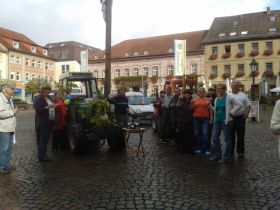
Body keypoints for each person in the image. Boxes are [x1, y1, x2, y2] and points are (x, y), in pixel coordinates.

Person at [210, 84, 243, 163]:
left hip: (226, 121)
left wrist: (232, 112)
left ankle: (226, 157)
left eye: (220, 89)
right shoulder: (217, 98)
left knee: (227, 139)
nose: (218, 91)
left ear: (224, 89)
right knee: (214, 138)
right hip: (217, 121)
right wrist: (210, 106)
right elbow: (216, 110)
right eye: (217, 90)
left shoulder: (229, 97)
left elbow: (240, 105)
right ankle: (218, 155)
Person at [0, 84, 19, 174]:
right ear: (5, 89)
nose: (13, 90)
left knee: (10, 147)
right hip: (3, 128)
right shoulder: (0, 99)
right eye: (12, 89)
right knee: (4, 148)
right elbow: (1, 114)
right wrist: (13, 112)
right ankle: (1, 167)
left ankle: (6, 164)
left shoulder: (9, 98)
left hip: (10, 127)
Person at [34, 85, 56, 162]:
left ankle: (43, 155)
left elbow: (50, 106)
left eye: (48, 91)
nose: (48, 92)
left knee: (45, 139)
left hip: (49, 121)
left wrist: (54, 106)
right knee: (42, 140)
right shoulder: (39, 98)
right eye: (46, 91)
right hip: (42, 122)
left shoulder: (48, 98)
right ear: (42, 91)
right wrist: (47, 107)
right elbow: (38, 110)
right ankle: (41, 157)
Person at [230, 81, 251, 158]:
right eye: (234, 85)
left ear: (239, 86)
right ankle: (231, 151)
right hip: (231, 118)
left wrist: (245, 115)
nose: (235, 87)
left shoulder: (243, 95)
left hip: (240, 118)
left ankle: (240, 152)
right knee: (231, 135)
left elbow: (248, 105)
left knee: (241, 135)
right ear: (231, 86)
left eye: (236, 85)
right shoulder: (228, 95)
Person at [192, 87, 212, 156]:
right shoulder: (194, 99)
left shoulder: (207, 99)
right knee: (197, 133)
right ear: (198, 92)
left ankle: (206, 149)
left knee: (205, 133)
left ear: (204, 92)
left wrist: (211, 118)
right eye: (200, 91)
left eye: (202, 91)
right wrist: (191, 103)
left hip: (205, 118)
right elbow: (191, 108)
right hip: (196, 118)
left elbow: (210, 109)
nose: (201, 92)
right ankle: (199, 148)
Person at [176, 89, 194, 153]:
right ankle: (182, 148)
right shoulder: (181, 100)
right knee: (182, 134)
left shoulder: (192, 101)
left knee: (189, 135)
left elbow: (191, 109)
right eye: (186, 94)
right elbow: (177, 106)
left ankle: (189, 148)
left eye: (188, 94)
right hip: (182, 120)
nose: (187, 95)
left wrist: (191, 103)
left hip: (189, 120)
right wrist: (179, 99)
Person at [207, 87, 216, 153]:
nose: (210, 92)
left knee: (214, 131)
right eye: (209, 91)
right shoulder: (205, 97)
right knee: (208, 131)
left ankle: (214, 143)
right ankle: (209, 143)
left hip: (215, 116)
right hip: (206, 116)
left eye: (211, 91)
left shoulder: (216, 97)